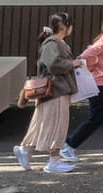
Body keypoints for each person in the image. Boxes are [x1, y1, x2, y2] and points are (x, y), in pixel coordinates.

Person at [61, 12, 103, 158]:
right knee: (96, 118)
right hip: (101, 84)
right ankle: (69, 146)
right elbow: (86, 55)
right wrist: (92, 68)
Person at [20, 14, 76, 173]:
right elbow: (53, 64)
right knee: (58, 123)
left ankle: (25, 149)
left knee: (43, 122)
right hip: (56, 89)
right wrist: (73, 63)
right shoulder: (53, 43)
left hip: (53, 90)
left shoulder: (54, 42)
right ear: (64, 27)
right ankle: (53, 161)